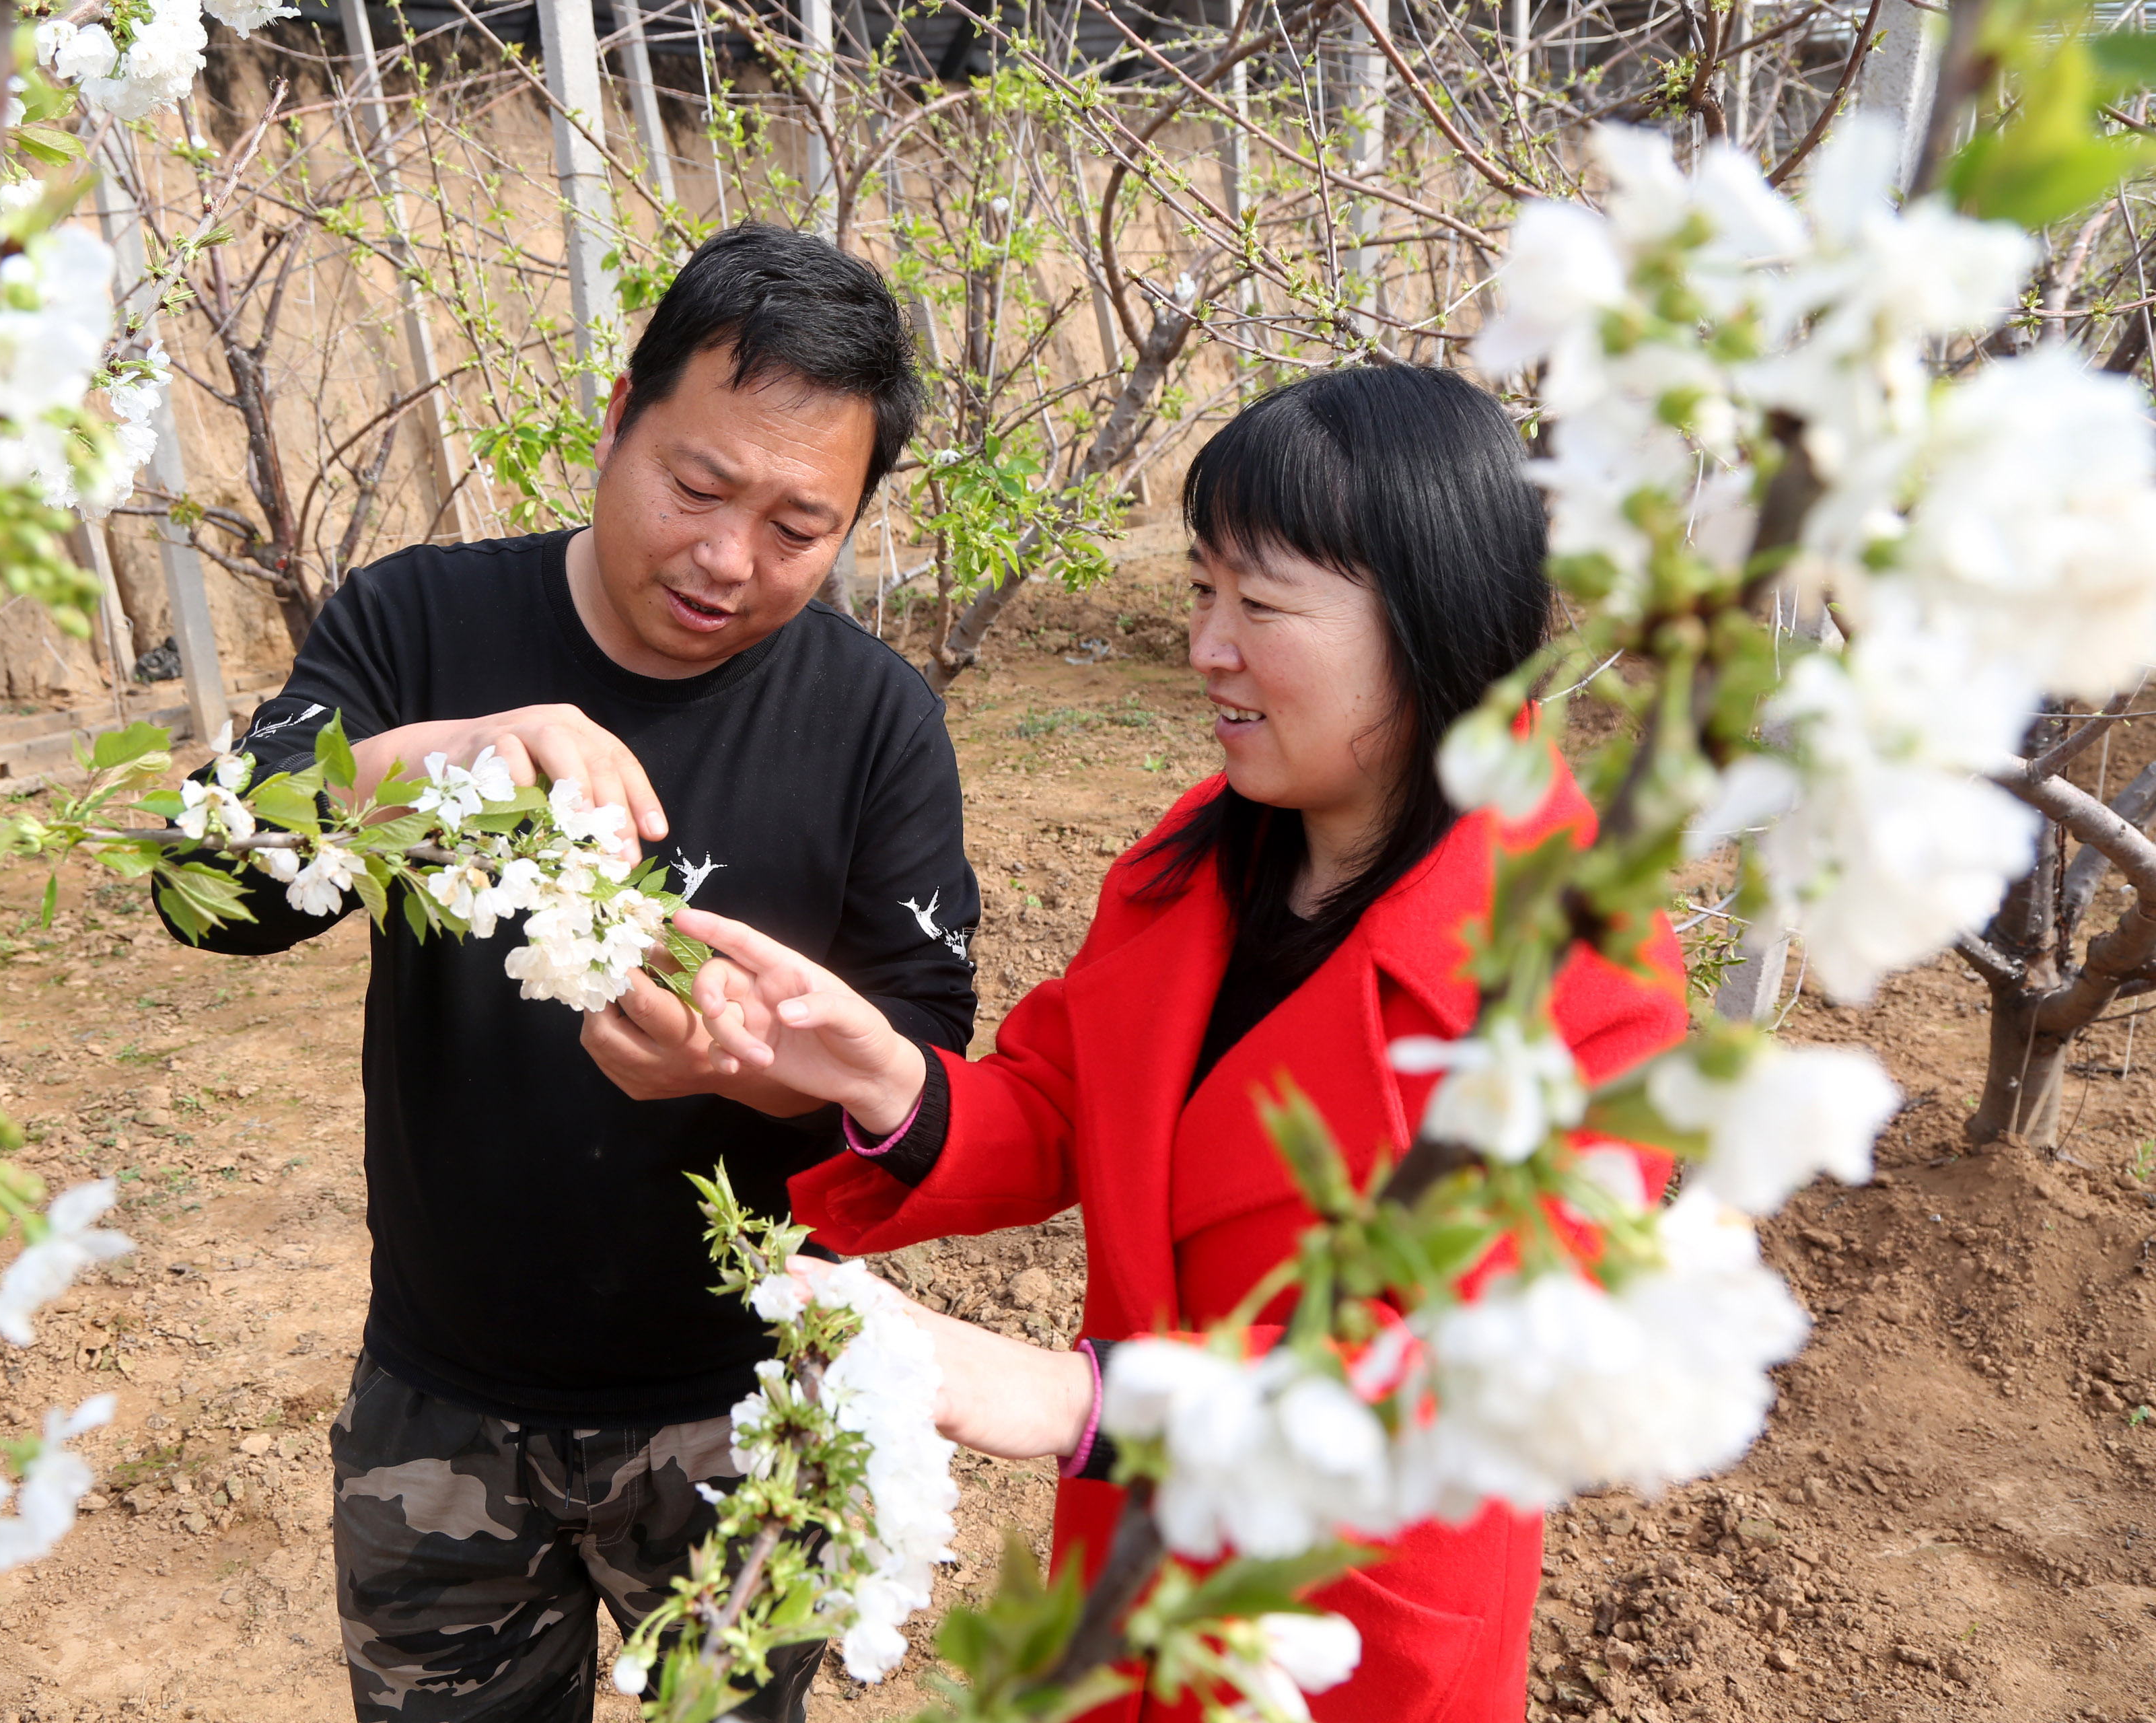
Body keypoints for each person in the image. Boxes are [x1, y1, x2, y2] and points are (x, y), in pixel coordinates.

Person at [666, 367, 1690, 1723]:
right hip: (1139, 1565)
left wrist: (1082, 1399)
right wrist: (879, 1073)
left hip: (1345, 1613)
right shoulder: (1196, 862)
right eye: (1203, 588)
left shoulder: (1573, 970)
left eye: (1260, 604)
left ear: (1432, 621)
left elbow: (1471, 1372)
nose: (1207, 643)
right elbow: (1064, 1109)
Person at [161, 223, 980, 1723]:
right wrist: (426, 760)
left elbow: (922, 1063)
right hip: (442, 1401)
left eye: (801, 526)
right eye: (697, 486)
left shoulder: (874, 720)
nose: (731, 559)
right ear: (617, 415)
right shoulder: (419, 624)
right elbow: (206, 892)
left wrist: (743, 1058)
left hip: (738, 1410)